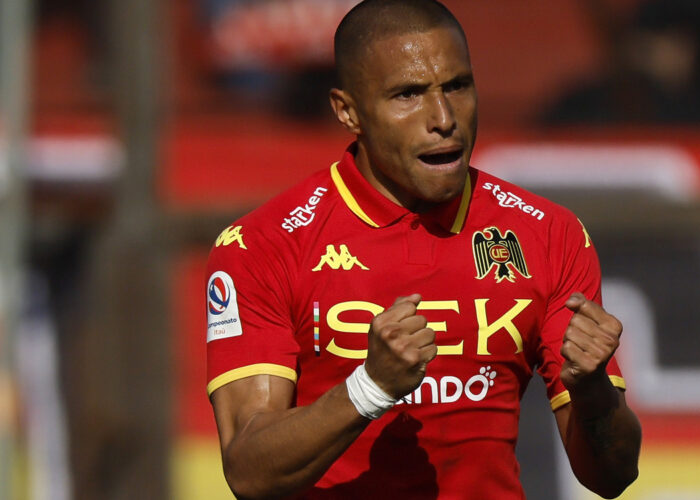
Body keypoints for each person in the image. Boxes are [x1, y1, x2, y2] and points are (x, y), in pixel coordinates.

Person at [204, 1, 642, 498]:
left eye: (457, 86)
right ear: (348, 110)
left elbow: (612, 476)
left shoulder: (548, 235)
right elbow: (249, 472)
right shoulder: (265, 245)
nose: (443, 118)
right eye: (407, 94)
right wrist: (369, 388)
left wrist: (592, 394)